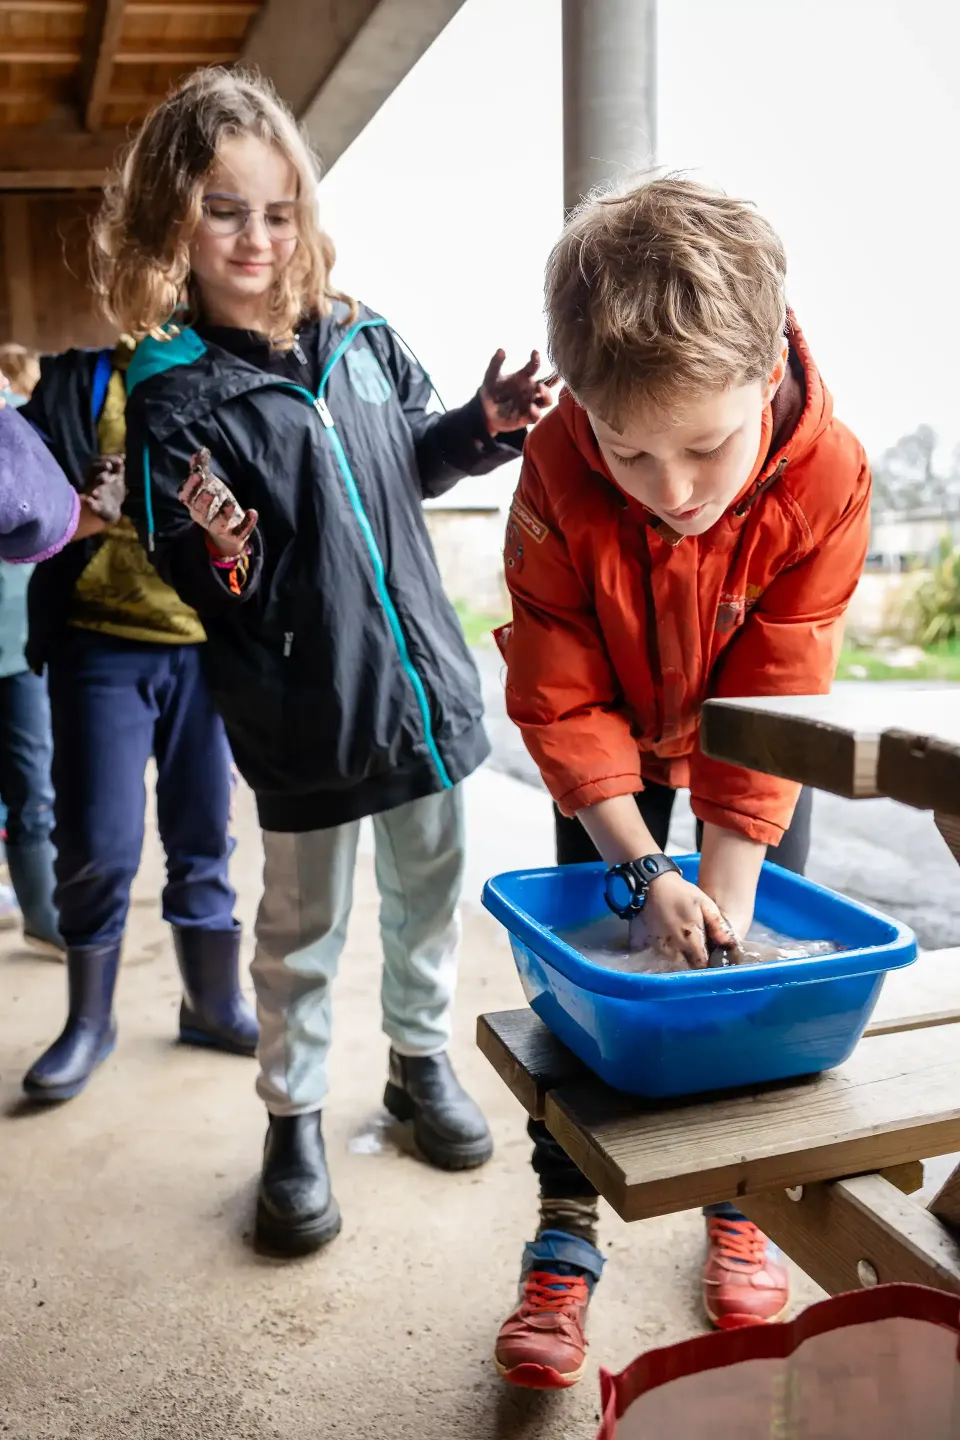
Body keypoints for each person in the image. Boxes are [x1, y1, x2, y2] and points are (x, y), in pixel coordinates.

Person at [95, 66, 554, 1255]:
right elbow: (194, 565)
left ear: (306, 213)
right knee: (301, 936)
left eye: (277, 208)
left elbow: (416, 458)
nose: (256, 235)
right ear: (173, 224)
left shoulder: (362, 335)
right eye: (224, 209)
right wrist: (223, 546)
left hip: (426, 700)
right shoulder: (169, 392)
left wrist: (480, 426)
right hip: (303, 720)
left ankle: (416, 1064)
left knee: (430, 907)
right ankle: (291, 1120)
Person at [493, 176, 871, 1386]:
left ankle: (739, 1201)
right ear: (584, 415)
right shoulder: (553, 466)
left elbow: (777, 682)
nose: (672, 493)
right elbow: (556, 683)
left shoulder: (829, 475)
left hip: (745, 756)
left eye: (706, 446)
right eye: (628, 451)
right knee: (579, 995)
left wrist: (719, 885)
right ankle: (564, 1231)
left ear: (766, 374)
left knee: (745, 978)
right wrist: (641, 865)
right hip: (606, 770)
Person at [19, 335, 256, 1104]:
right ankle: (89, 1023)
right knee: (98, 843)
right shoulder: (74, 381)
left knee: (204, 836)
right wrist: (85, 505)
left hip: (202, 643)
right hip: (99, 641)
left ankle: (211, 1006)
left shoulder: (223, 370)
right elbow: (31, 508)